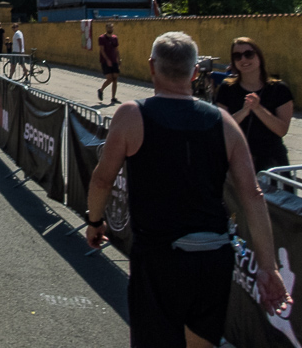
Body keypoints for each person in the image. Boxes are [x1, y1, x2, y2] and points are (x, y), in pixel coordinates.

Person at [86, 31, 291, 348]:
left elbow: (103, 178)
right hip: (212, 256)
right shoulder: (223, 121)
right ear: (195, 72)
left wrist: (95, 221)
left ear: (152, 66)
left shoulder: (132, 115)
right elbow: (253, 196)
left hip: (158, 255)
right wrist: (268, 268)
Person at [215, 37, 293, 174]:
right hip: (237, 158)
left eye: (248, 54)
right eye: (237, 56)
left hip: (271, 160)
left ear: (259, 56)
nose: (243, 60)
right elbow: (222, 127)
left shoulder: (279, 89)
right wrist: (244, 111)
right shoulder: (226, 88)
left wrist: (258, 108)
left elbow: (281, 130)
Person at [97, 22, 121, 104]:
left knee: (115, 78)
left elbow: (116, 49)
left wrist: (119, 59)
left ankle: (113, 98)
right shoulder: (102, 38)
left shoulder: (115, 38)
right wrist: (107, 60)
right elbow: (102, 50)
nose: (111, 29)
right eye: (109, 27)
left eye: (112, 27)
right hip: (105, 61)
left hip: (114, 60)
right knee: (110, 78)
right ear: (106, 28)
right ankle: (101, 90)